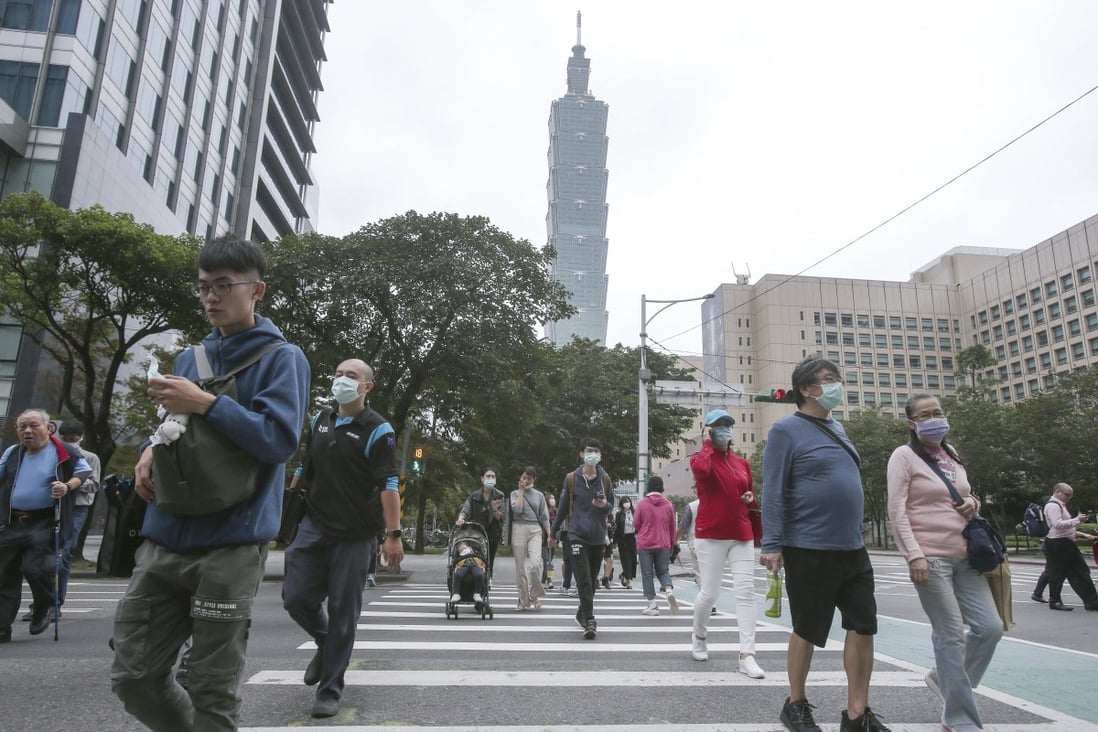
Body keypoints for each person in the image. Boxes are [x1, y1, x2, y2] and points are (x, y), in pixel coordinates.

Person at [111, 235, 311, 731]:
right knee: (131, 675)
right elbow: (174, 429)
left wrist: (206, 402)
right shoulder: (189, 360)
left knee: (211, 687)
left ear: (256, 289)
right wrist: (148, 450)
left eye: (224, 285)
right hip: (166, 533)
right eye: (203, 287)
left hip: (232, 542)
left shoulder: (282, 358)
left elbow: (278, 441)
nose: (211, 297)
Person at [761, 354, 891, 732]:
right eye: (828, 378)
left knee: (863, 625)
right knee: (808, 628)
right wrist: (772, 544)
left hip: (852, 548)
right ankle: (796, 703)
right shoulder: (786, 431)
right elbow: (773, 492)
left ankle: (856, 714)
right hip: (808, 546)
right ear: (806, 388)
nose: (837, 385)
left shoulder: (840, 429)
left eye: (837, 378)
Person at [282, 357, 403, 718]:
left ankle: (330, 689)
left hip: (355, 535)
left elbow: (389, 484)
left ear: (367, 387)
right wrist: (288, 506)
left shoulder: (378, 430)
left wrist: (393, 535)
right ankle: (324, 641)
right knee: (295, 598)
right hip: (314, 526)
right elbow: (306, 467)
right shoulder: (321, 420)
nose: (341, 381)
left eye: (351, 376)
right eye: (337, 374)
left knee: (343, 613)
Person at [887, 394, 1003, 732]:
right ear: (911, 423)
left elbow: (965, 494)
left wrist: (973, 501)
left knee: (990, 628)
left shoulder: (952, 455)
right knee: (950, 634)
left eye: (938, 412)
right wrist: (914, 555)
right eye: (925, 415)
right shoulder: (904, 456)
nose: (934, 418)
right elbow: (897, 510)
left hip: (967, 556)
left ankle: (943, 680)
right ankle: (960, 719)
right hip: (930, 558)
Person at [0, 408, 92, 642]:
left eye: (33, 425)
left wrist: (67, 486)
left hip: (44, 521)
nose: (27, 431)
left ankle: (44, 606)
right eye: (22, 426)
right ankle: (2, 626)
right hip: (12, 522)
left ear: (48, 427)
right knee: (3, 574)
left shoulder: (63, 451)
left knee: (34, 568)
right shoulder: (13, 452)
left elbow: (83, 472)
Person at [690, 409, 764, 678]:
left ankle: (747, 655)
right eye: (719, 426)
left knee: (745, 592)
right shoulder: (701, 457)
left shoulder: (742, 463)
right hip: (710, 534)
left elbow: (751, 495)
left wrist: (749, 499)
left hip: (741, 533)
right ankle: (699, 636)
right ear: (708, 431)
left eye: (728, 425)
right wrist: (707, 444)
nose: (726, 429)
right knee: (709, 594)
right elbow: (702, 472)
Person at [549, 438, 612, 640]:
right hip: (576, 535)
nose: (592, 454)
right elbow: (562, 507)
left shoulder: (605, 478)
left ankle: (581, 612)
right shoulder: (571, 479)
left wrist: (604, 506)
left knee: (592, 582)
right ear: (581, 454)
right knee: (583, 579)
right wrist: (553, 533)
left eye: (596, 451)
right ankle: (590, 620)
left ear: (600, 456)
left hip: (598, 536)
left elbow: (611, 505)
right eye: (589, 451)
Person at [56, 420, 100, 611]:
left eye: (73, 439)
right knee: (48, 554)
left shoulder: (90, 458)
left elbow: (94, 485)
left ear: (81, 437)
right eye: (65, 438)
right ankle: (43, 602)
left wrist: (72, 483)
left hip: (76, 507)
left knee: (64, 552)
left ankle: (55, 602)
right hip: (54, 506)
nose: (69, 442)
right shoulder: (54, 453)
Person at [1041, 483, 1098, 611]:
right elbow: (1057, 524)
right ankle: (1056, 601)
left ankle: (1091, 601)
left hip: (1063, 542)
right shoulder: (1052, 506)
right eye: (1067, 494)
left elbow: (1065, 528)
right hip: (1059, 543)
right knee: (1063, 572)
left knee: (1076, 572)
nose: (1068, 497)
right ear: (1057, 492)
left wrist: (1083, 534)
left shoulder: (1059, 505)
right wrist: (1077, 520)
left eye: (1070, 495)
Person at [633, 476, 678, 616]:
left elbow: (636, 524)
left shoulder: (642, 504)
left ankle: (652, 606)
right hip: (663, 543)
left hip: (645, 543)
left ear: (649, 487)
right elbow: (672, 527)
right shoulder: (669, 505)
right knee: (663, 571)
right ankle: (668, 590)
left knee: (647, 574)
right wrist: (672, 544)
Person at [509, 466, 550, 611]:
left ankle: (534, 595)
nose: (526, 480)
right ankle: (522, 599)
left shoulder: (539, 495)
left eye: (529, 478)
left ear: (534, 479)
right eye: (524, 477)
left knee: (535, 564)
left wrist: (550, 534)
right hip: (519, 528)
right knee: (520, 567)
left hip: (535, 529)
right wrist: (521, 491)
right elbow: (517, 510)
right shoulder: (514, 493)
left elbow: (545, 517)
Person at [456, 468, 505, 573]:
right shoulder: (474, 496)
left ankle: (489, 576)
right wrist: (461, 519)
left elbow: (500, 517)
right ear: (482, 479)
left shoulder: (499, 495)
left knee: (490, 558)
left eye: (493, 476)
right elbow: (466, 509)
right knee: (477, 555)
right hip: (476, 532)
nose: (491, 478)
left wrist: (494, 509)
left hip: (493, 532)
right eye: (488, 476)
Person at [614, 495, 637, 589]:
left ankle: (624, 575)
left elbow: (639, 523)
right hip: (622, 539)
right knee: (626, 560)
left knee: (633, 560)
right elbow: (617, 528)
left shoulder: (634, 512)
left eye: (628, 501)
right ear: (622, 504)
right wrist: (614, 541)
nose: (627, 503)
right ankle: (628, 582)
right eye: (625, 502)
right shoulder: (619, 514)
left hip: (632, 537)